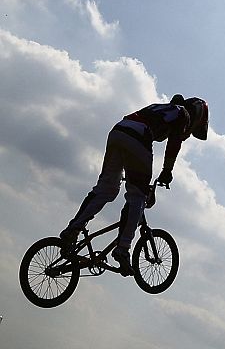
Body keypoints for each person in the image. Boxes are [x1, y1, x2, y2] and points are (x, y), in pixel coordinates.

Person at [59, 95, 208, 275]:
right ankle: (122, 249)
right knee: (137, 196)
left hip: (119, 131)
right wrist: (167, 171)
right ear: (198, 115)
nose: (189, 134)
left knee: (106, 188)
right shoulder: (183, 114)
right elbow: (174, 143)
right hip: (138, 136)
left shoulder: (162, 108)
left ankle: (72, 230)